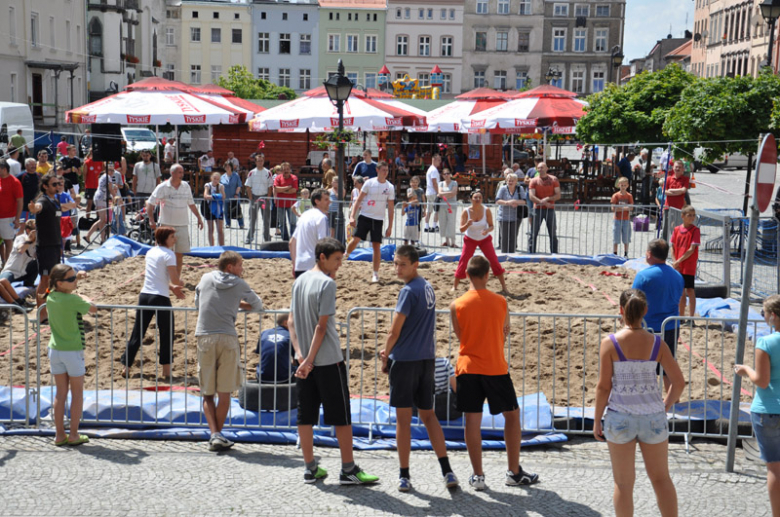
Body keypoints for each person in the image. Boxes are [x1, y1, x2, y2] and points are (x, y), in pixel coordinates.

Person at [289, 237, 379, 485]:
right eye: (337, 259)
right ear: (322, 257)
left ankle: (310, 468)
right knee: (341, 416)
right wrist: (309, 359)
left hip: (304, 362)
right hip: (327, 360)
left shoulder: (300, 281)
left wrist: (300, 355)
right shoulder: (326, 284)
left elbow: (290, 322)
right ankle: (348, 469)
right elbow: (322, 327)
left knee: (304, 416)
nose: (340, 263)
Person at [450, 255, 538, 490]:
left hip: (468, 367)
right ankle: (514, 471)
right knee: (512, 415)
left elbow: (461, 337)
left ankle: (478, 475)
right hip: (494, 366)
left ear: (467, 275)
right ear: (488, 275)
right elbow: (504, 332)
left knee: (472, 420)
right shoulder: (500, 302)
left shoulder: (456, 305)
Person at [593, 288, 683, 517]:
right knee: (661, 479)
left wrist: (596, 421)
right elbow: (679, 382)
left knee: (623, 484)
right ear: (645, 311)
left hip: (620, 416)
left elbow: (604, 387)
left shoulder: (610, 343)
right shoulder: (657, 344)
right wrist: (665, 405)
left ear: (621, 311)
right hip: (653, 416)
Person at [380, 245, 458, 492]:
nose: (397, 268)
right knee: (428, 416)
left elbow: (394, 331)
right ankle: (447, 470)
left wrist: (384, 354)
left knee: (403, 420)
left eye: (402, 264)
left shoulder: (408, 291)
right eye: (395, 263)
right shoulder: (427, 286)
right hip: (426, 359)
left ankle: (404, 475)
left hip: (405, 360)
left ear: (415, 264)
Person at [195, 250, 263, 451]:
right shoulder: (239, 283)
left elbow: (198, 303)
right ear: (230, 267)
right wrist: (237, 306)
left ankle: (215, 434)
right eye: (240, 265)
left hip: (205, 335)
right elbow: (257, 305)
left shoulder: (206, 278)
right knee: (225, 393)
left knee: (207, 392)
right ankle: (218, 435)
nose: (243, 269)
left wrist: (231, 304)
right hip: (227, 337)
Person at [735, 294, 780, 517]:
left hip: (768, 410)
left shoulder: (766, 342)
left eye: (763, 313)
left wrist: (746, 370)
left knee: (774, 468)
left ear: (772, 316)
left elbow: (762, 380)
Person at [119, 226, 185, 377]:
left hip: (145, 295)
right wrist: (180, 283)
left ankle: (126, 367)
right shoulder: (169, 254)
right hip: (160, 298)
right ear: (164, 239)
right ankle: (166, 371)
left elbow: (157, 277)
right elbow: (175, 279)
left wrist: (172, 287)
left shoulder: (150, 252)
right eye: (172, 237)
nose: (175, 239)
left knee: (137, 332)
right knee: (166, 333)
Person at [44, 263, 96, 446]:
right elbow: (93, 308)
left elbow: (58, 289)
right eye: (71, 279)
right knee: (77, 394)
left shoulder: (51, 296)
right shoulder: (72, 300)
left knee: (60, 394)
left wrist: (74, 282)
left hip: (55, 349)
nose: (74, 281)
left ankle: (59, 435)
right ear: (59, 283)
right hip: (72, 351)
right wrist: (79, 293)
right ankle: (73, 434)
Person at [631, 239, 683, 394]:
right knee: (667, 367)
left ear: (649, 254)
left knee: (644, 367)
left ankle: (645, 401)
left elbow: (633, 302)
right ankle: (673, 403)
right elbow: (680, 299)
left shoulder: (643, 276)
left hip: (649, 327)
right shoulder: (677, 276)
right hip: (671, 326)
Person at [27, 174, 78, 323]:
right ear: (45, 186)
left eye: (59, 184)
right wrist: (33, 208)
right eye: (54, 184)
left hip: (55, 245)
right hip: (45, 247)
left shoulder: (55, 200)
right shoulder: (43, 200)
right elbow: (38, 208)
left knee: (52, 281)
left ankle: (49, 311)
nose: (58, 186)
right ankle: (41, 315)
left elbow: (60, 208)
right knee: (44, 281)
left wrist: (73, 204)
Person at [147, 164, 205, 276]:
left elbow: (191, 204)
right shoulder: (162, 187)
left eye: (182, 172)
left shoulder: (186, 186)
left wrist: (199, 217)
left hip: (182, 224)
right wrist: (151, 220)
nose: (182, 175)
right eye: (180, 172)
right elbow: (150, 203)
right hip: (166, 225)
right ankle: (161, 276)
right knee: (164, 253)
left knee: (179, 254)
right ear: (172, 173)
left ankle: (176, 278)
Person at [346, 161, 395, 284]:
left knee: (376, 246)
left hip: (378, 219)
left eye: (387, 170)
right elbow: (358, 200)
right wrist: (352, 216)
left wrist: (390, 227)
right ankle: (345, 254)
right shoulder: (369, 183)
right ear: (377, 171)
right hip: (365, 216)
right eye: (383, 170)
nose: (386, 172)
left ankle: (375, 274)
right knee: (356, 239)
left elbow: (391, 208)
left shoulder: (389, 187)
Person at [452, 190, 508, 293]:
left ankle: (504, 287)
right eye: (475, 197)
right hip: (470, 239)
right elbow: (461, 229)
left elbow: (492, 226)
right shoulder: (466, 211)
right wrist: (467, 225)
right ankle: (454, 286)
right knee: (463, 261)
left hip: (484, 239)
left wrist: (487, 230)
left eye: (480, 197)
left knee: (494, 260)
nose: (478, 199)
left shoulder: (486, 210)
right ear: (471, 199)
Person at [289, 188, 331, 278]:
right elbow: (322, 244)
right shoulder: (321, 218)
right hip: (314, 265)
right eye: (326, 199)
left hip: (300, 265)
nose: (329, 202)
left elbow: (291, 242)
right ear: (317, 201)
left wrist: (294, 264)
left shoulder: (304, 216)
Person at [671, 205, 700, 318]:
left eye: (693, 215)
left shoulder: (695, 230)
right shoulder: (677, 229)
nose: (692, 218)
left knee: (690, 290)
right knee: (681, 291)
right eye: (689, 215)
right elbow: (672, 247)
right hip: (678, 265)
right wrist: (675, 262)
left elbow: (691, 249)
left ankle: (691, 317)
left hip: (688, 265)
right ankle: (681, 315)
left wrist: (678, 261)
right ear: (682, 216)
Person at [528, 162, 561, 254]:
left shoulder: (554, 179)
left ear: (547, 168)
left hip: (550, 209)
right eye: (538, 168)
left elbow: (558, 195)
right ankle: (531, 253)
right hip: (537, 209)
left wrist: (548, 199)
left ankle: (554, 253)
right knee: (533, 233)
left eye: (542, 167)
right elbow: (531, 196)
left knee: (552, 233)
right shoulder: (534, 181)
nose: (540, 169)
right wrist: (543, 202)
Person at [85, 163, 122, 245]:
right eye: (110, 170)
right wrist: (115, 198)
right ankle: (88, 235)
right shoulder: (107, 177)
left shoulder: (106, 176)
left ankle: (102, 239)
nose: (112, 172)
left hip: (103, 198)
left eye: (113, 170)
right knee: (102, 220)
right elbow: (111, 190)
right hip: (101, 198)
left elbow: (111, 189)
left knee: (103, 220)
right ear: (106, 169)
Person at [257, 312, 295, 383]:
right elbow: (296, 359)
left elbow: (261, 353)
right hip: (283, 378)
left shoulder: (264, 333)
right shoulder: (291, 335)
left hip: (262, 376)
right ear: (286, 323)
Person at [245, 153, 273, 244]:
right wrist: (250, 197)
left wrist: (268, 197)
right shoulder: (252, 172)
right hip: (255, 198)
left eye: (261, 161)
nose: (260, 162)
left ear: (263, 162)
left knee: (266, 219)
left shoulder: (268, 172)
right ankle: (249, 237)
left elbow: (270, 186)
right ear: (256, 162)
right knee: (252, 218)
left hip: (264, 198)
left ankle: (267, 238)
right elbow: (248, 186)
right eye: (258, 161)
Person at [495, 172, 526, 254]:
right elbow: (497, 200)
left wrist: (516, 202)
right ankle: (504, 254)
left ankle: (512, 254)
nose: (510, 182)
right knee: (504, 237)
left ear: (516, 181)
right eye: (508, 180)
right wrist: (507, 202)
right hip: (503, 216)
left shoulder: (520, 189)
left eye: (512, 180)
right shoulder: (502, 188)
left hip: (516, 216)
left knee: (513, 237)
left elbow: (524, 201)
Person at [0, 219, 37, 288]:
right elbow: (21, 250)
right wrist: (29, 240)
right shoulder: (21, 238)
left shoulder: (37, 241)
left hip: (24, 272)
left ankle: (29, 283)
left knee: (37, 262)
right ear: (29, 230)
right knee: (2, 284)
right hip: (12, 271)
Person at [0, 158, 23, 264]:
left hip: (8, 217)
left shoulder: (15, 182)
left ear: (4, 169)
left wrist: (17, 219)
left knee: (7, 241)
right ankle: (3, 260)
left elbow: (20, 201)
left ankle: (8, 264)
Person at [662, 160, 690, 237]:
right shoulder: (668, 179)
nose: (677, 169)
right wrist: (678, 192)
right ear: (673, 168)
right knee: (665, 227)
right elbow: (664, 192)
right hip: (668, 207)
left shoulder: (685, 179)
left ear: (683, 169)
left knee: (678, 227)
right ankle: (664, 244)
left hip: (679, 208)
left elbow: (683, 190)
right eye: (676, 167)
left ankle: (677, 243)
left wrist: (670, 190)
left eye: (680, 167)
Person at [273, 162, 298, 241]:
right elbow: (276, 188)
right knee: (282, 223)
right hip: (280, 204)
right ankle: (285, 239)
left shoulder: (294, 178)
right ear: (281, 170)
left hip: (291, 204)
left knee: (293, 222)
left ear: (290, 169)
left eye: (287, 169)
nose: (286, 171)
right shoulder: (277, 178)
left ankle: (293, 239)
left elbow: (294, 190)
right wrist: (288, 187)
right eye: (284, 169)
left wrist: (282, 190)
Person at [611, 176, 634, 257]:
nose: (623, 187)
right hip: (617, 219)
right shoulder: (615, 196)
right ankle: (615, 253)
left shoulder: (629, 196)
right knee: (616, 237)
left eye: (625, 185)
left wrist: (620, 208)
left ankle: (626, 253)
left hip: (626, 219)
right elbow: (613, 208)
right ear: (619, 185)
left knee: (626, 238)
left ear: (627, 186)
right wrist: (625, 208)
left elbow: (631, 208)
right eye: (621, 185)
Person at [437, 169, 459, 248]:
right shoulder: (441, 183)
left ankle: (453, 242)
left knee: (451, 222)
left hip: (451, 206)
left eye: (448, 173)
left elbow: (453, 193)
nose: (446, 175)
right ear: (442, 175)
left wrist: (443, 194)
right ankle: (447, 241)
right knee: (443, 222)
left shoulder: (454, 183)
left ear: (450, 174)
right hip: (442, 205)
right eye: (444, 174)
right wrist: (447, 194)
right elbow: (439, 193)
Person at [203, 172, 225, 247]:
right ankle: (211, 247)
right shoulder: (208, 185)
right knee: (210, 229)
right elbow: (205, 195)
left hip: (218, 209)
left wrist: (212, 197)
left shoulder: (221, 186)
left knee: (220, 229)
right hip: (209, 209)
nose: (216, 180)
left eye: (218, 179)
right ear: (211, 178)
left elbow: (223, 196)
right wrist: (216, 197)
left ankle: (222, 246)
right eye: (214, 179)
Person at [221, 162, 244, 229]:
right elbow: (221, 187)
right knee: (226, 210)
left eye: (229, 166)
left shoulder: (236, 175)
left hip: (234, 196)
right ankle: (228, 223)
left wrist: (236, 194)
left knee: (237, 210)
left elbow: (239, 185)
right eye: (226, 166)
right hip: (226, 196)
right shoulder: (222, 177)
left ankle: (241, 224)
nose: (227, 168)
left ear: (231, 167)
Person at [424, 154, 441, 232]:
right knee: (437, 210)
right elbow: (434, 182)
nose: (440, 162)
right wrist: (438, 192)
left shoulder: (430, 169)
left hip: (429, 192)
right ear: (434, 159)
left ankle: (426, 226)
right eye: (438, 160)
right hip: (433, 192)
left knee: (429, 210)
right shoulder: (434, 170)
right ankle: (434, 225)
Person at [83, 149, 102, 217]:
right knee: (89, 204)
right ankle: (87, 218)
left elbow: (103, 173)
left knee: (98, 204)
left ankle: (98, 219)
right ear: (91, 153)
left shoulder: (101, 162)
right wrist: (85, 185)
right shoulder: (87, 162)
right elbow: (84, 175)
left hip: (98, 186)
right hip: (89, 186)